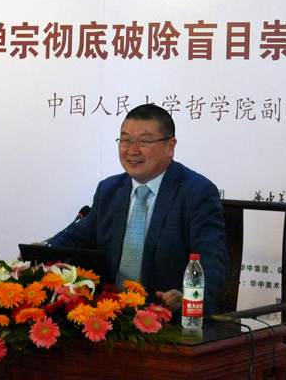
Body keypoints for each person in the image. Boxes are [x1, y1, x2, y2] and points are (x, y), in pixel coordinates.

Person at [43, 104, 228, 316]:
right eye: (125, 140)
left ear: (170, 146)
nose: (132, 150)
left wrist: (188, 296)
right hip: (109, 315)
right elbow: (77, 237)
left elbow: (213, 262)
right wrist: (44, 250)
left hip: (167, 318)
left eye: (144, 141)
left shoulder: (196, 193)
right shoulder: (109, 190)